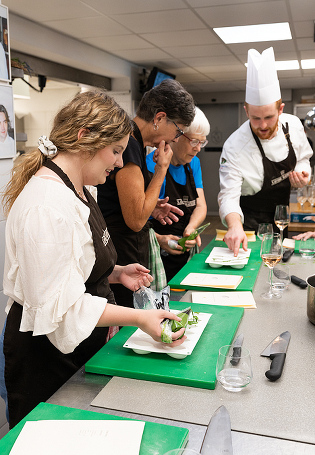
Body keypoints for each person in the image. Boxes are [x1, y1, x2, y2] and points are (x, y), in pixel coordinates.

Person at [0, 90, 186, 429]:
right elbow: (63, 307)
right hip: (46, 357)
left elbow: (69, 265)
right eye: (115, 151)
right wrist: (140, 318)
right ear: (84, 137)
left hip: (77, 348)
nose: (118, 163)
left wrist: (114, 273)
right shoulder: (47, 204)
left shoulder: (79, 188)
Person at [97, 79, 195, 307]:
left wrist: (152, 206)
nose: (177, 139)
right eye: (178, 130)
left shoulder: (136, 144)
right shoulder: (129, 144)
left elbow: (131, 203)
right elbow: (134, 219)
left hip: (126, 252)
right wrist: (162, 169)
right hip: (122, 253)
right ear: (159, 118)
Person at [218, 47, 312, 256]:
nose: (262, 125)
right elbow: (228, 195)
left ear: (281, 109)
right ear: (246, 110)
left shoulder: (294, 125)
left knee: (279, 266)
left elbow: (304, 158)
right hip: (248, 225)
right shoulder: (234, 146)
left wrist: (304, 174)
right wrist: (234, 225)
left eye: (269, 117)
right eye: (255, 118)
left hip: (281, 217)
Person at [146, 107, 210, 281]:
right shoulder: (151, 166)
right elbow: (136, 219)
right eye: (194, 141)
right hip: (155, 257)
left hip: (184, 254)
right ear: (176, 136)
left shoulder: (193, 163)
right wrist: (159, 239)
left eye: (202, 143)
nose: (198, 149)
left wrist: (191, 229)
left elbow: (200, 205)